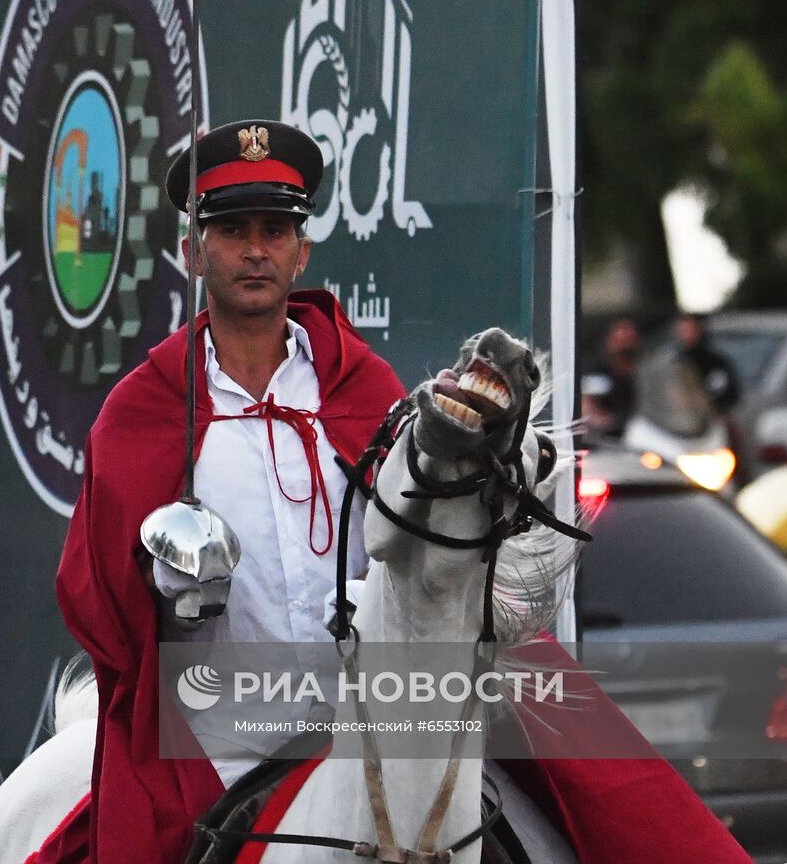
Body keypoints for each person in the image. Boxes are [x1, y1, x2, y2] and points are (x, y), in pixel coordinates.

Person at [40, 122, 750, 864]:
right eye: (232, 230)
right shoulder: (141, 412)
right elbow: (98, 605)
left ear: (301, 249)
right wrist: (159, 583)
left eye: (276, 229)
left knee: (593, 796)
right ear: (192, 252)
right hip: (227, 741)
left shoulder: (361, 387)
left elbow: (427, 539)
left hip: (378, 714)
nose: (256, 249)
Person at [581, 317, 641, 437]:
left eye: (629, 340)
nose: (625, 345)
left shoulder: (643, 371)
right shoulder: (596, 370)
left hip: (639, 428)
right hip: (604, 436)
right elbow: (587, 403)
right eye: (620, 340)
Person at [674, 312, 740, 413]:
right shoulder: (679, 360)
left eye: (688, 330)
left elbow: (723, 392)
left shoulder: (713, 360)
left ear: (698, 331)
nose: (684, 335)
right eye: (682, 331)